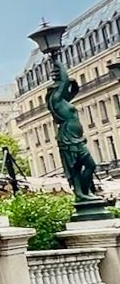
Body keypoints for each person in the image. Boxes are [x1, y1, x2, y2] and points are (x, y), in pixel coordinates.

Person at [45, 61, 98, 201]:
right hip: (69, 137)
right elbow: (64, 80)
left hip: (75, 137)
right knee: (82, 166)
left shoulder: (62, 101)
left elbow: (74, 91)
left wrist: (73, 83)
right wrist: (55, 57)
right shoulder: (56, 99)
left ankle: (85, 193)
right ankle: (82, 193)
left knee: (86, 166)